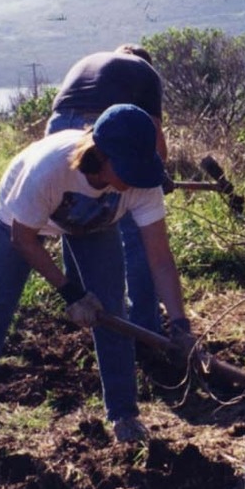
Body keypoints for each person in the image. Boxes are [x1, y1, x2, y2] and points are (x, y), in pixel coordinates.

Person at [0, 104, 191, 463]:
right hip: (19, 220)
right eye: (126, 170)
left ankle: (125, 417)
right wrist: (72, 294)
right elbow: (24, 240)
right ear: (100, 156)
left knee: (112, 310)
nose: (132, 180)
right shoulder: (49, 170)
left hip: (94, 224)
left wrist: (180, 324)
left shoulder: (142, 182)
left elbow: (160, 258)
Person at [46, 44, 168, 334]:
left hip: (59, 129)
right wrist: (155, 179)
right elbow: (154, 137)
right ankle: (145, 325)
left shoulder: (90, 61)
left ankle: (83, 305)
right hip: (104, 131)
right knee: (138, 232)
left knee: (70, 212)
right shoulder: (146, 73)